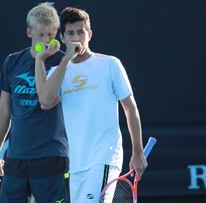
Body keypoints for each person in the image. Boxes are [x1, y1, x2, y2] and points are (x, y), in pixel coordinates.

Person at [35, 7, 147, 202]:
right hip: (74, 165)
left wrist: (137, 151)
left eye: (81, 32)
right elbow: (45, 101)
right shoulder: (57, 72)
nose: (77, 37)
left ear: (90, 34)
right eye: (70, 33)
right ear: (62, 38)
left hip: (104, 157)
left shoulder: (110, 64)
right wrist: (66, 59)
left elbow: (130, 108)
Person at [0, 2, 69, 203]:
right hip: (16, 158)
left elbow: (48, 101)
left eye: (51, 34)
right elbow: (3, 110)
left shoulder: (63, 62)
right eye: (41, 34)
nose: (47, 40)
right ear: (29, 32)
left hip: (51, 156)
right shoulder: (12, 61)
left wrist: (41, 60)